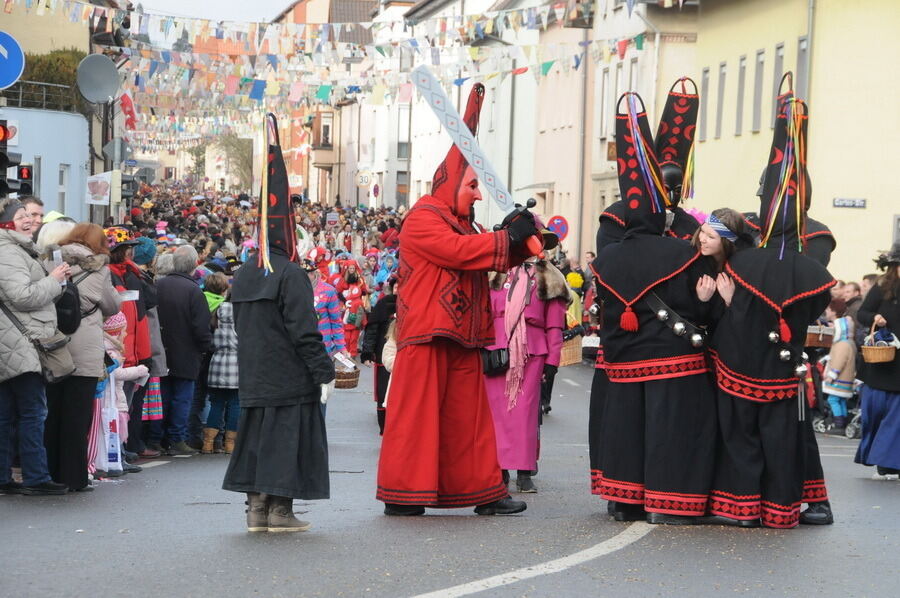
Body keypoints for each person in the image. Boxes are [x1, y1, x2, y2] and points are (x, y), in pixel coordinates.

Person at [376, 84, 538, 517]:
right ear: (450, 185)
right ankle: (404, 494)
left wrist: (527, 241)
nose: (480, 194)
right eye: (472, 185)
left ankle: (484, 492)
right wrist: (509, 239)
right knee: (416, 423)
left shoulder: (460, 222)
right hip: (427, 335)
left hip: (461, 337)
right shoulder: (424, 219)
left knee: (470, 424)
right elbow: (461, 253)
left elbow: (489, 253)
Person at [706, 95, 834, 529]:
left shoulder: (816, 237)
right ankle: (754, 504)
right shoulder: (749, 230)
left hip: (783, 346)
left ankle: (812, 499)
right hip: (749, 341)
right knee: (755, 430)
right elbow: (716, 236)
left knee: (792, 434)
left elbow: (812, 285)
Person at [589, 92, 716, 525]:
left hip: (627, 349)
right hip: (663, 350)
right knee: (660, 428)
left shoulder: (682, 228)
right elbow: (695, 292)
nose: (676, 191)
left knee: (631, 425)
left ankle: (629, 498)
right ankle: (654, 499)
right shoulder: (625, 228)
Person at [223, 114, 335, 533]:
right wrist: (322, 369)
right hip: (288, 377)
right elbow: (304, 330)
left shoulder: (246, 272)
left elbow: (238, 322)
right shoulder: (290, 274)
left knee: (255, 441)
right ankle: (279, 512)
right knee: (285, 444)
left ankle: (256, 511)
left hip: (255, 373)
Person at [43, 223, 121, 492]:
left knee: (52, 413)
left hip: (53, 346)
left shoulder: (49, 261)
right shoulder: (100, 270)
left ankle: (49, 474)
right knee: (77, 418)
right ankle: (73, 477)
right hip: (84, 349)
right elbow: (112, 306)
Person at [0, 198, 69, 495]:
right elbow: (22, 296)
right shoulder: (9, 252)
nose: (30, 220)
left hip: (14, 342)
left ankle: (5, 477)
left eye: (32, 215)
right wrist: (54, 280)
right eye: (22, 216)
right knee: (31, 413)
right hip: (21, 343)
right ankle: (36, 477)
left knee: (8, 415)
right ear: (7, 222)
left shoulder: (18, 249)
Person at [484, 249, 568, 494]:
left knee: (524, 415)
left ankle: (523, 472)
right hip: (496, 350)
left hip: (532, 351)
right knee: (496, 414)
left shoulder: (550, 277)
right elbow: (484, 314)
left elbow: (555, 326)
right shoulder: (493, 273)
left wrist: (553, 360)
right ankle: (498, 470)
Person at [153, 245, 213, 456]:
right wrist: (207, 348)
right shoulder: (194, 291)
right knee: (182, 398)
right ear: (194, 265)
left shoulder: (158, 285)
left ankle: (158, 438)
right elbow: (200, 327)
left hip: (161, 350)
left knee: (163, 396)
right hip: (186, 353)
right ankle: (176, 438)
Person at [854, 243, 900, 477]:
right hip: (881, 360)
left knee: (896, 419)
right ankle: (881, 459)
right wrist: (876, 317)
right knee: (876, 416)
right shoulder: (882, 287)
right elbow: (862, 314)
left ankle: (889, 464)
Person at [204, 273, 239, 455]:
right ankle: (230, 444)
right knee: (235, 403)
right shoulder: (241, 314)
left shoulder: (216, 311)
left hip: (217, 361)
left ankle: (208, 443)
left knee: (216, 403)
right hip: (236, 363)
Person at [361, 277, 397, 435]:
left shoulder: (413, 304)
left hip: (406, 357)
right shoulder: (384, 304)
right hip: (385, 355)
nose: (398, 290)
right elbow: (372, 330)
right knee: (384, 393)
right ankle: (385, 427)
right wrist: (368, 352)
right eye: (396, 287)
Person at [822, 316, 857, 435]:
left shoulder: (842, 344)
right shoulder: (849, 343)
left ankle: (839, 423)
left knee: (833, 399)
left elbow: (839, 361)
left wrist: (832, 374)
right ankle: (843, 421)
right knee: (841, 400)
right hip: (846, 378)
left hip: (840, 378)